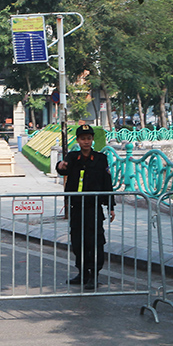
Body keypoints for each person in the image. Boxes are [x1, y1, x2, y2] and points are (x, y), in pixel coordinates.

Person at [55, 124, 115, 289]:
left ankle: (94, 275)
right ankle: (82, 273)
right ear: (78, 140)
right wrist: (60, 165)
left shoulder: (101, 159)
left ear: (92, 139)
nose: (86, 142)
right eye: (83, 139)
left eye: (89, 138)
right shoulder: (73, 157)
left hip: (93, 207)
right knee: (78, 241)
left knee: (95, 241)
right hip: (76, 208)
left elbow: (107, 183)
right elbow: (63, 169)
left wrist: (111, 206)